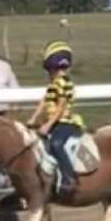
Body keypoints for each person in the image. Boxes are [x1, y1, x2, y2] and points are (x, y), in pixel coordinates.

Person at [27, 41, 84, 196]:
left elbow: (61, 107)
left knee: (57, 144)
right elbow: (44, 101)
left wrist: (48, 124)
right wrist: (33, 118)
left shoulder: (64, 83)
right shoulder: (52, 84)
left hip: (65, 123)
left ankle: (69, 177)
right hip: (54, 122)